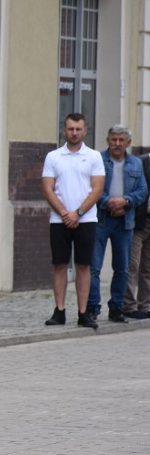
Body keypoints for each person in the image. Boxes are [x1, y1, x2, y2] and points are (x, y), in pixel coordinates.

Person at [41, 113, 105, 329]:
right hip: (58, 220)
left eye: (78, 129)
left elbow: (97, 188)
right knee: (59, 265)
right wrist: (64, 213)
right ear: (64, 130)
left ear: (85, 130)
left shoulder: (94, 156)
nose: (74, 133)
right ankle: (59, 311)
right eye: (70, 129)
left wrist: (77, 212)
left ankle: (83, 313)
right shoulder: (53, 157)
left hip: (86, 219)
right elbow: (47, 189)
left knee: (83, 266)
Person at [88, 126, 147, 323]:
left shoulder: (136, 163)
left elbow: (142, 191)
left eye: (122, 140)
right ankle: (93, 307)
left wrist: (126, 201)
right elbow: (91, 187)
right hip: (101, 219)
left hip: (125, 221)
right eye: (114, 139)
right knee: (94, 267)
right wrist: (108, 202)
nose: (117, 144)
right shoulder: (98, 160)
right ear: (107, 140)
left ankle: (116, 307)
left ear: (128, 143)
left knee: (122, 267)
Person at [123, 151, 150, 319]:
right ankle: (129, 306)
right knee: (132, 265)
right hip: (139, 222)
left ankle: (145, 306)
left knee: (147, 268)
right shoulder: (141, 162)